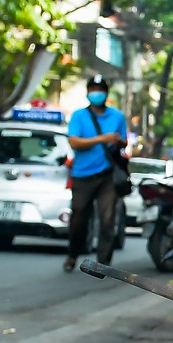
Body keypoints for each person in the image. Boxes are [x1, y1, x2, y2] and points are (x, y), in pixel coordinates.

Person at [63, 75, 129, 273]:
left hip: (108, 175)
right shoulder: (78, 116)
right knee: (79, 218)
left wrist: (117, 141)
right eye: (93, 89)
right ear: (88, 92)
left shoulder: (117, 116)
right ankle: (73, 254)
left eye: (100, 89)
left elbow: (124, 141)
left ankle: (102, 264)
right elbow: (74, 142)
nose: (96, 92)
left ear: (106, 92)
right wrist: (102, 138)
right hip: (82, 175)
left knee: (107, 219)